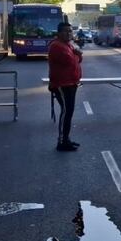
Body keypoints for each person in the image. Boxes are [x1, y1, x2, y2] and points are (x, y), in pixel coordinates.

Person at [48, 22, 83, 151]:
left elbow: (77, 60)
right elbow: (70, 60)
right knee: (65, 112)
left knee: (69, 112)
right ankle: (61, 142)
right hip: (62, 84)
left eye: (70, 31)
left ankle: (66, 139)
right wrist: (77, 54)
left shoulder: (67, 45)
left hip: (71, 83)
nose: (69, 33)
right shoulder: (57, 46)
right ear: (59, 33)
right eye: (65, 31)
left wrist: (77, 55)